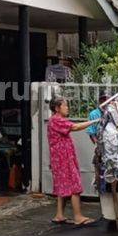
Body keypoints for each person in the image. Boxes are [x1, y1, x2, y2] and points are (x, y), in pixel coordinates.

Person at [47, 96, 99, 226]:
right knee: (74, 185)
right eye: (65, 105)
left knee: (63, 186)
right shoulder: (57, 120)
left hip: (60, 158)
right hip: (63, 158)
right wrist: (93, 121)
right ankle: (78, 216)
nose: (67, 108)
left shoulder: (55, 120)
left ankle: (59, 215)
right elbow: (75, 127)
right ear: (57, 108)